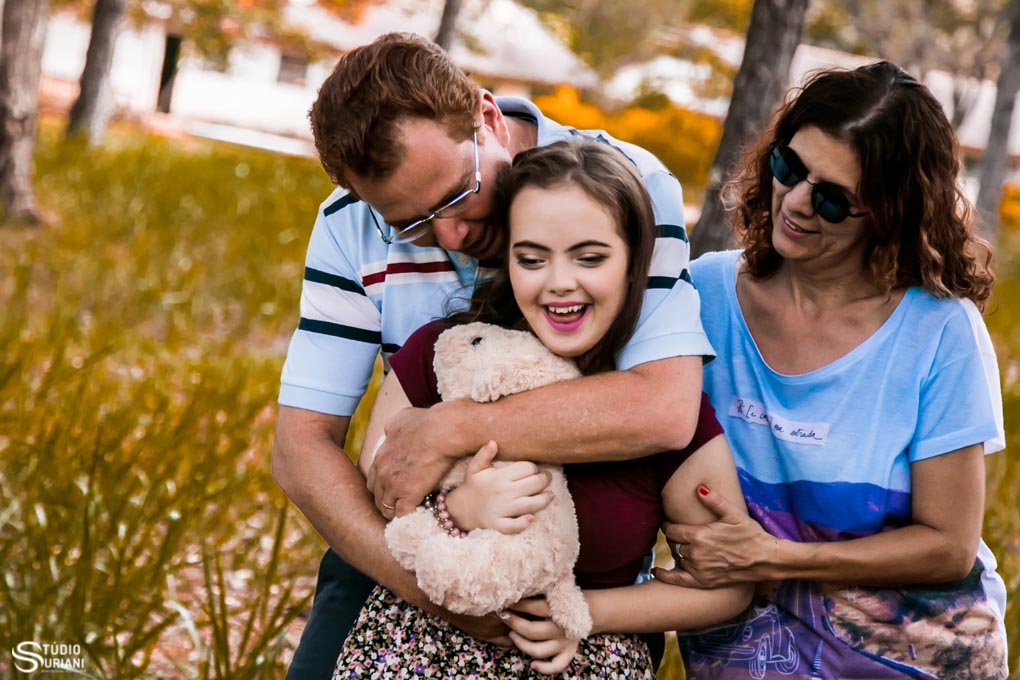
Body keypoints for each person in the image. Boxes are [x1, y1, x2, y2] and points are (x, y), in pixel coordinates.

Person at [273, 32, 714, 678]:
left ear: (486, 117)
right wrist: (438, 591)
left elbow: (663, 407)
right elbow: (300, 447)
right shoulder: (349, 223)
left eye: (457, 194)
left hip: (581, 560)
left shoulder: (626, 184)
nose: (451, 235)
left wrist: (456, 428)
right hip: (406, 557)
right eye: (412, 224)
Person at [334, 140, 752, 678]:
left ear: (633, 266)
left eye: (590, 257)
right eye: (532, 259)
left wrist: (583, 614)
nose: (559, 282)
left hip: (578, 657)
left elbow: (728, 585)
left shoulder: (654, 403)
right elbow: (378, 498)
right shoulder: (444, 355)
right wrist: (454, 511)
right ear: (507, 261)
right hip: (415, 648)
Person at [654, 61, 1009, 679]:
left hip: (916, 654)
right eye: (789, 167)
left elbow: (949, 548)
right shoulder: (705, 291)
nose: (794, 201)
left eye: (833, 198)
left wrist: (772, 558)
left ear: (891, 213)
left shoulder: (939, 333)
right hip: (744, 647)